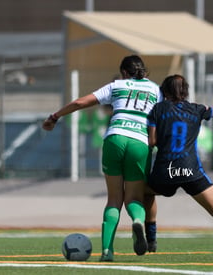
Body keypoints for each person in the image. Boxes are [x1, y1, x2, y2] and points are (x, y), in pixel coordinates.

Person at [42, 55, 163, 261]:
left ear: (124, 72)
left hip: (115, 138)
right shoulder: (155, 89)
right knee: (134, 198)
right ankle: (137, 221)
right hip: (140, 142)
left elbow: (81, 102)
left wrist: (55, 117)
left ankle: (107, 251)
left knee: (114, 200)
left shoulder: (117, 85)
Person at [145, 74, 213, 263]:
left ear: (164, 91)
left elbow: (152, 142)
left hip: (165, 170)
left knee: (145, 194)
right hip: (190, 169)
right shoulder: (196, 109)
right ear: (185, 91)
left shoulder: (157, 109)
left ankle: (151, 237)